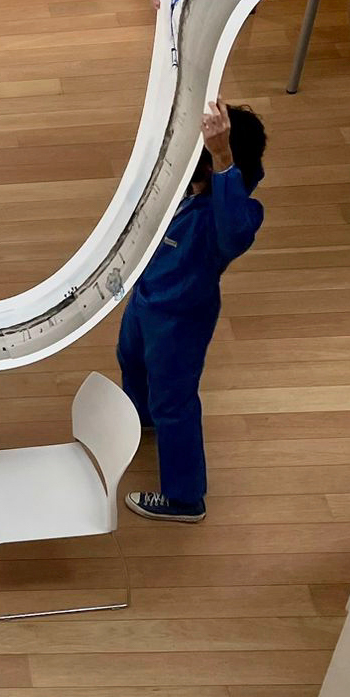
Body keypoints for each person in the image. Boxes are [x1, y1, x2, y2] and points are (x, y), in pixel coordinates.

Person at [118, 98, 265, 523]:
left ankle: (185, 498)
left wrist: (221, 157)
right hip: (146, 300)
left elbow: (235, 233)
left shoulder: (231, 217)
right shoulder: (187, 190)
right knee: (130, 360)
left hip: (179, 321)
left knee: (175, 402)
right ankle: (141, 419)